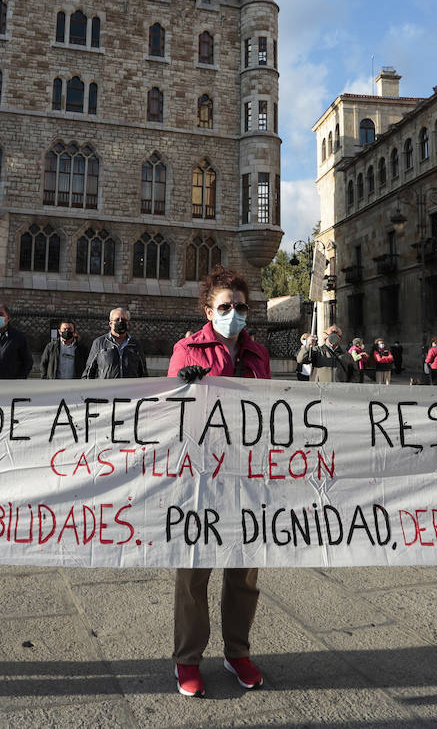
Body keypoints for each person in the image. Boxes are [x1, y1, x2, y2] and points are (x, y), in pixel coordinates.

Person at [166, 265, 270, 697]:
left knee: (244, 571)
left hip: (247, 475)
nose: (234, 313)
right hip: (200, 476)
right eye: (225, 306)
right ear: (209, 310)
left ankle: (237, 652)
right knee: (194, 571)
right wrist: (182, 389)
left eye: (240, 307)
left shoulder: (258, 354)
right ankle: (188, 659)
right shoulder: (187, 349)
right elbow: (165, 411)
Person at [83, 307, 149, 379]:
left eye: (124, 320)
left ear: (128, 323)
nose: (120, 322)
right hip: (107, 389)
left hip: (130, 389)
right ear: (110, 323)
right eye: (117, 319)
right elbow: (89, 372)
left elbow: (143, 373)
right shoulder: (99, 343)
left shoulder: (135, 344)